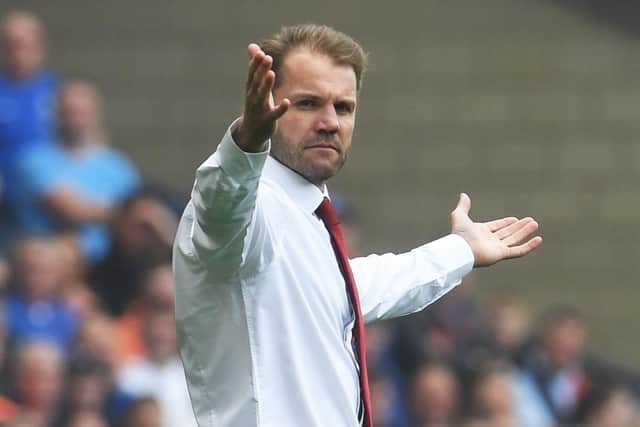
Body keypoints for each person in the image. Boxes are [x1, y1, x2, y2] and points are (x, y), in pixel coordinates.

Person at [172, 24, 542, 427]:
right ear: (267, 104)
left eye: (343, 107)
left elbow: (363, 283)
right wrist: (246, 142)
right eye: (309, 103)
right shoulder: (249, 207)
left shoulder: (307, 218)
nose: (330, 121)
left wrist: (461, 250)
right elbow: (220, 213)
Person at [13, 80, 140, 262]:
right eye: (68, 113)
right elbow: (70, 210)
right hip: (48, 263)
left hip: (112, 261)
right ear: (54, 115)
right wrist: (120, 213)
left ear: (96, 115)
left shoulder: (117, 166)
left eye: (81, 113)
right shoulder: (34, 160)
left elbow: (137, 216)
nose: (75, 120)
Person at [0, 11, 58, 214]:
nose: (17, 53)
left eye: (23, 46)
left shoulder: (58, 91)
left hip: (51, 194)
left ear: (39, 48)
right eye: (10, 46)